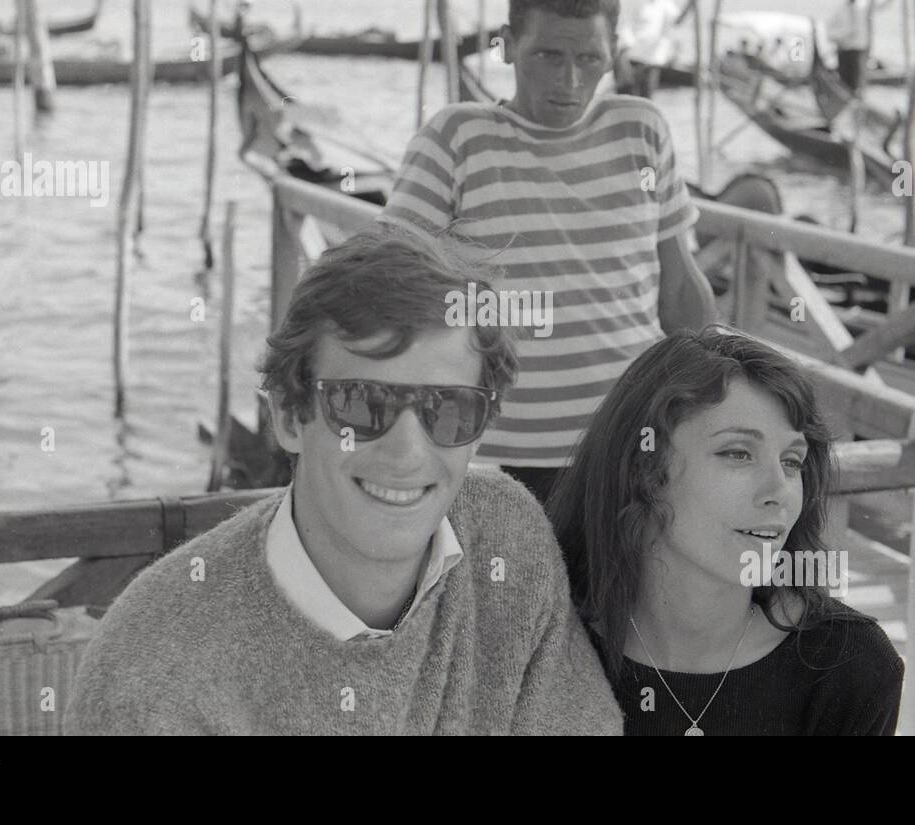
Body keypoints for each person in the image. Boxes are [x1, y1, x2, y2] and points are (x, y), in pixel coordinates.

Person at [65, 225, 622, 735]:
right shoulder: (155, 669)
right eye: (361, 403)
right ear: (288, 415)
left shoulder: (507, 540)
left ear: (481, 427)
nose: (407, 452)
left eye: (448, 409)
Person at [381, 0, 718, 505]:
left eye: (590, 58)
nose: (570, 81)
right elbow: (386, 289)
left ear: (613, 54)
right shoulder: (455, 138)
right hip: (490, 457)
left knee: (619, 593)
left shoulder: (643, 129)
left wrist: (712, 412)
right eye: (547, 55)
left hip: (633, 443)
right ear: (509, 45)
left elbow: (679, 288)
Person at [548, 327, 904, 735]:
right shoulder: (543, 645)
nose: (779, 492)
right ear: (642, 470)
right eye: (738, 453)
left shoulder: (851, 667)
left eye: (791, 461)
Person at [615, 0, 695, 99]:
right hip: (632, 61)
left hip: (651, 62)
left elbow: (677, 21)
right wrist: (623, 64)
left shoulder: (663, 1)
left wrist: (691, 2)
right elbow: (623, 30)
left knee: (647, 105)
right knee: (627, 105)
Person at [825, 0, 901, 90]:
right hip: (843, 49)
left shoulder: (864, 6)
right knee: (844, 80)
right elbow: (830, 30)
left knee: (856, 79)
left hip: (858, 49)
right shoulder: (841, 9)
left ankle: (856, 99)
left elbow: (883, 3)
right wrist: (839, 37)